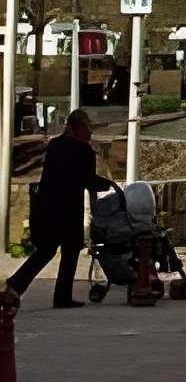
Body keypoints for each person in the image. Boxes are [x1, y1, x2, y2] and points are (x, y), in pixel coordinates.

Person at [6, 109, 117, 308]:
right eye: (87, 129)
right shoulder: (84, 151)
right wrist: (107, 185)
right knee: (70, 250)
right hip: (66, 209)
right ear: (75, 129)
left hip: (46, 205)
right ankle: (59, 295)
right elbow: (87, 180)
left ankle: (17, 284)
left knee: (48, 249)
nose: (90, 133)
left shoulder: (55, 145)